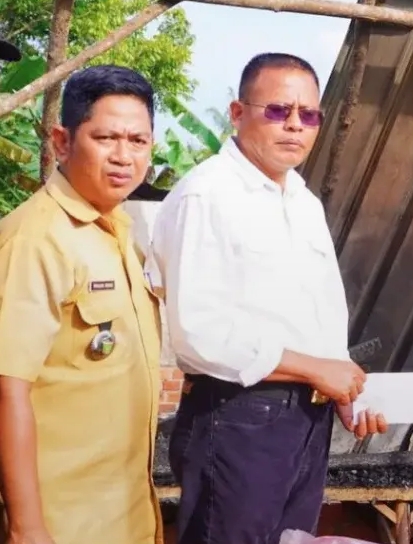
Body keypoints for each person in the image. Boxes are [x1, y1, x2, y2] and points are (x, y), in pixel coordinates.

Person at [149, 53, 388, 544]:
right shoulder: (208, 195)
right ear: (238, 113)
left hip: (306, 419)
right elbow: (199, 334)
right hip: (238, 417)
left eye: (309, 115)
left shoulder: (303, 201)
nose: (295, 125)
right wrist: (315, 369)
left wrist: (340, 388)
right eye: (279, 110)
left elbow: (318, 313)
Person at [0, 65, 163, 544]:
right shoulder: (36, 239)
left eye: (138, 141)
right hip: (62, 519)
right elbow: (7, 389)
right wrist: (28, 527)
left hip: (125, 513)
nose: (124, 156)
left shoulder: (119, 231)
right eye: (106, 138)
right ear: (62, 142)